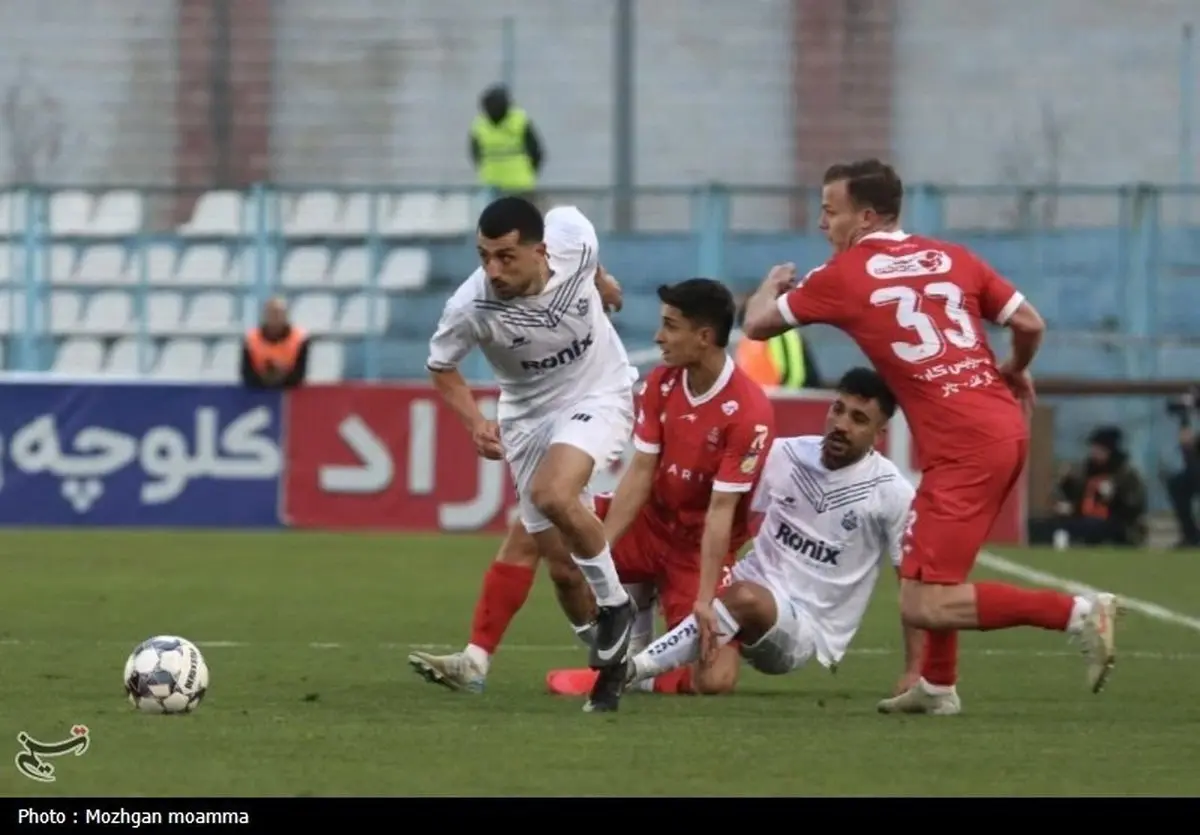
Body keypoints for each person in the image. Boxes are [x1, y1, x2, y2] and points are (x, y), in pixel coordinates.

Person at [741, 158, 1119, 716]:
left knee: (926, 602)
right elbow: (1031, 324)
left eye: (830, 211)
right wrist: (1012, 368)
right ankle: (938, 687)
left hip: (967, 446)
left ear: (865, 217)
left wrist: (767, 287)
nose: (823, 223)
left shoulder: (842, 275)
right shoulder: (952, 256)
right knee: (931, 572)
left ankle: (1080, 614)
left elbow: (755, 326)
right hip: (997, 427)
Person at [552, 367, 923, 708]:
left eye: (858, 419)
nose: (841, 424)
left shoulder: (891, 493)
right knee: (712, 680)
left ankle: (625, 671)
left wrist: (915, 669)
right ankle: (643, 611)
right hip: (740, 591)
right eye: (838, 410)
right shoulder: (787, 455)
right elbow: (721, 501)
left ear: (881, 432)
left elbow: (912, 583)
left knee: (744, 598)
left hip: (803, 627)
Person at [413, 196, 639, 693]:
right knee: (560, 569)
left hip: (598, 390)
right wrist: (475, 421)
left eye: (505, 257)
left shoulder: (573, 234)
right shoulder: (471, 306)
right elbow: (441, 367)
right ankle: (607, 652)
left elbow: (590, 259)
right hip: (527, 416)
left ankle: (619, 608)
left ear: (540, 251)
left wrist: (602, 282)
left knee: (554, 495)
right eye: (483, 256)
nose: (492, 269)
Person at [545, 278, 778, 710]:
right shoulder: (663, 382)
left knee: (715, 680)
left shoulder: (748, 411)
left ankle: (629, 674)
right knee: (552, 537)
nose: (658, 337)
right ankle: (604, 643)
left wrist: (706, 600)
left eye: (670, 326)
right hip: (650, 525)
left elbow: (721, 513)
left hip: (696, 547)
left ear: (704, 337)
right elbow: (640, 473)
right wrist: (602, 552)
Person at [1028, 426, 1147, 548]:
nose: (1094, 452)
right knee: (1036, 525)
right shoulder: (1086, 471)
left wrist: (1115, 495)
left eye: (1099, 449)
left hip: (1113, 525)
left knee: (1090, 527)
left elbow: (1133, 509)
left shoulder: (1126, 475)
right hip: (1083, 520)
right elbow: (1079, 500)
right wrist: (1066, 488)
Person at [469, 85, 544, 201]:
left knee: (494, 217)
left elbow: (475, 155)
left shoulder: (479, 125)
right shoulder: (520, 120)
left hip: (504, 184)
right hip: (511, 183)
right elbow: (536, 152)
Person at [241, 297, 309, 388]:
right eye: (271, 313)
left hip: (290, 392)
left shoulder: (299, 339)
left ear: (286, 315)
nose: (275, 317)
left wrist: (281, 375)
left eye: (279, 313)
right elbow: (247, 375)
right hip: (258, 392)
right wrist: (266, 377)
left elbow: (300, 375)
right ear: (265, 315)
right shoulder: (251, 339)